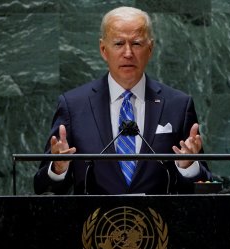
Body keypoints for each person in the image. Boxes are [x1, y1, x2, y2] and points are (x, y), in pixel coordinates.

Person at [34, 6, 212, 195]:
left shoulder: (178, 105)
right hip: (94, 222)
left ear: (150, 49)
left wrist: (189, 166)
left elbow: (205, 185)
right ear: (103, 50)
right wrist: (58, 168)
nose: (128, 53)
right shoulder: (74, 105)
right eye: (119, 44)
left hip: (159, 222)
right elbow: (42, 187)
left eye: (136, 44)